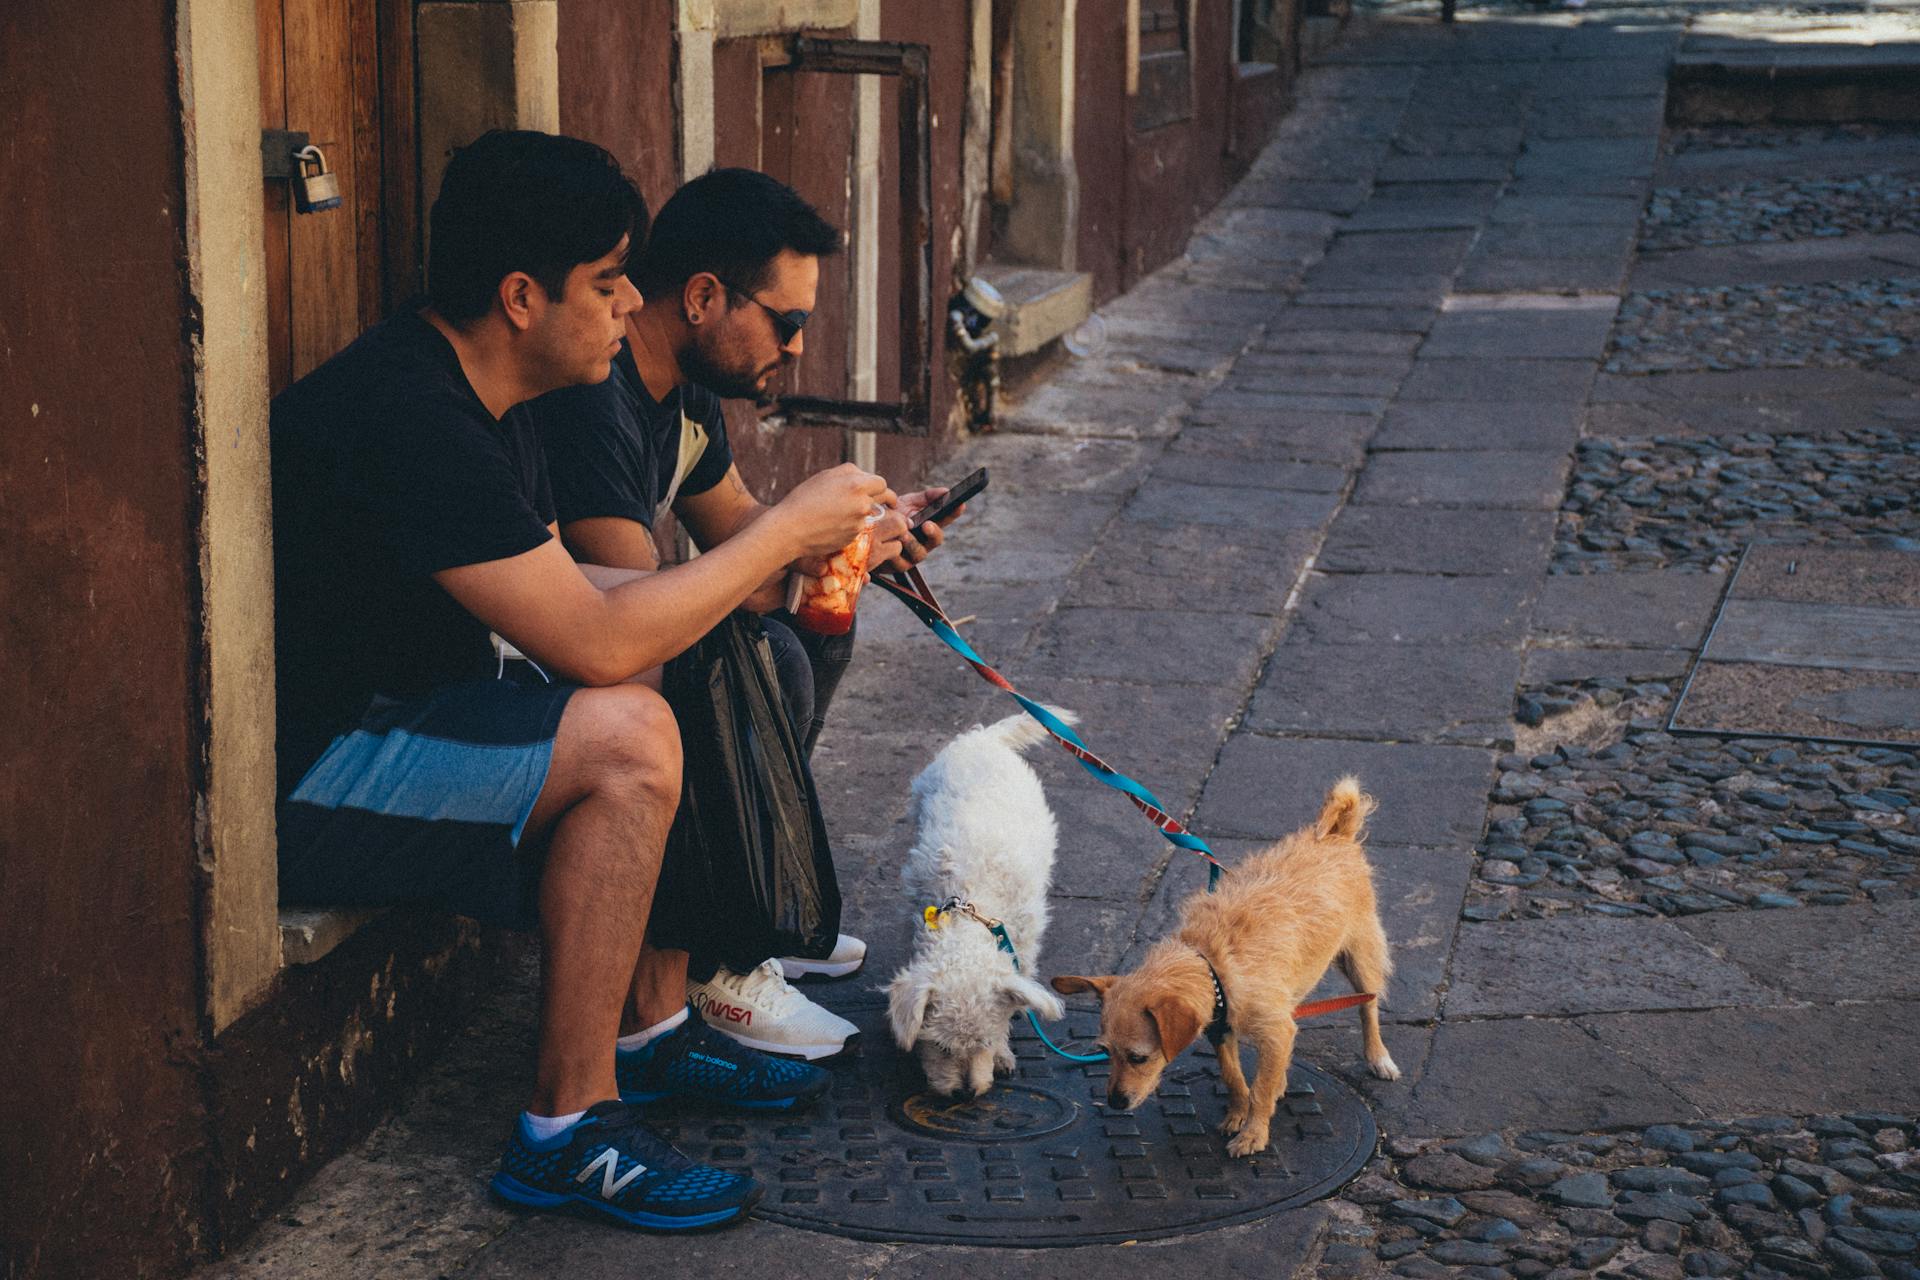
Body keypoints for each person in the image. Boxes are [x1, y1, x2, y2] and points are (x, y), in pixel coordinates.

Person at [271, 130, 897, 1231]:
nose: (626, 307)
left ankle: (649, 1035)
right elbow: (595, 644)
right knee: (627, 735)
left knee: (683, 648)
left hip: (421, 718)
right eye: (608, 284)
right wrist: (780, 531)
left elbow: (592, 593)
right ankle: (566, 1129)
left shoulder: (485, 399)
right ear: (522, 295)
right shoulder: (413, 414)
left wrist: (778, 564)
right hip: (326, 769)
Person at [521, 169, 962, 1061]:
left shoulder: (684, 391)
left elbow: (741, 533)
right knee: (745, 653)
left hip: (621, 640)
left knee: (815, 620)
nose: (797, 348)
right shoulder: (592, 399)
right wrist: (795, 552)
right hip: (571, 667)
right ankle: (715, 959)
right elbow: (647, 614)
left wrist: (860, 539)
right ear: (703, 297)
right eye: (786, 323)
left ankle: (754, 892)